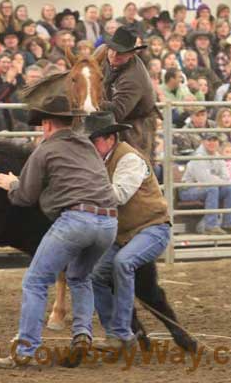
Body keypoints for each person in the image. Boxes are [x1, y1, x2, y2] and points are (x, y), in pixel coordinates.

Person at [0, 95, 118, 368]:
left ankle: (26, 350)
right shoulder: (87, 145)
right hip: (108, 222)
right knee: (80, 276)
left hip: (76, 220)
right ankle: (82, 333)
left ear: (48, 124)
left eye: (42, 124)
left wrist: (11, 184)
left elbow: (25, 196)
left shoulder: (45, 149)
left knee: (35, 281)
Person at [82, 112, 169, 351]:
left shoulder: (129, 158)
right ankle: (114, 334)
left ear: (109, 138)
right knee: (96, 274)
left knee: (122, 263)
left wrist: (84, 190)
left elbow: (119, 194)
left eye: (94, 140)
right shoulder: (103, 160)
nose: (90, 145)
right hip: (126, 233)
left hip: (153, 227)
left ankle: (123, 333)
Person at [98, 26, 161, 157]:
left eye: (121, 52)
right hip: (108, 119)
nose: (114, 55)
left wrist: (91, 101)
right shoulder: (101, 53)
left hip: (136, 125)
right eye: (113, 50)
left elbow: (117, 112)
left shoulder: (133, 78)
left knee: (134, 162)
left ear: (132, 54)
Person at [179, 133, 231, 235]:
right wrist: (218, 181)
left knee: (229, 189)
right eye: (209, 140)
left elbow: (226, 177)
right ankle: (210, 226)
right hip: (188, 189)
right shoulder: (198, 157)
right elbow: (205, 179)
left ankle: (229, 224)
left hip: (206, 187)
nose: (212, 143)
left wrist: (217, 181)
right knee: (212, 188)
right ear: (203, 142)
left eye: (214, 140)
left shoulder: (218, 157)